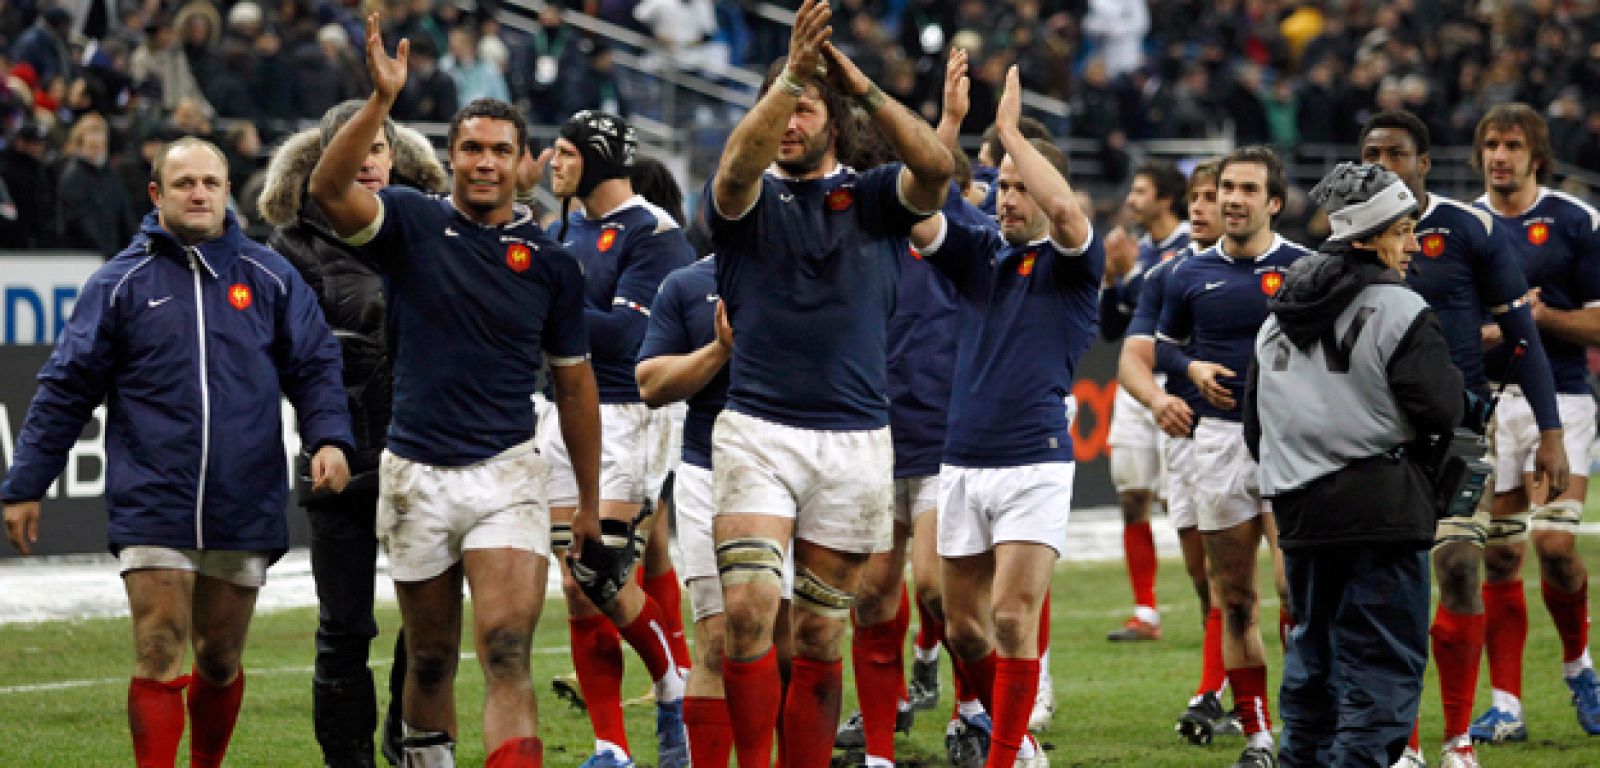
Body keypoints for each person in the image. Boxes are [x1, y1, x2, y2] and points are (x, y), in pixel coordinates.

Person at [2, 136, 353, 768]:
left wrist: (328, 437)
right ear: (157, 194)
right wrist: (26, 483)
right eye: (185, 183)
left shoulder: (271, 278)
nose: (199, 194)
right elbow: (64, 389)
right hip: (153, 491)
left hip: (243, 496)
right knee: (159, 645)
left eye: (210, 183)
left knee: (219, 659)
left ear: (226, 192)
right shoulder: (118, 283)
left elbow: (316, 365)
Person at [308, 14, 602, 767]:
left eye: (500, 151)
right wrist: (379, 103)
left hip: (507, 473)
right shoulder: (410, 221)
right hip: (415, 473)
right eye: (471, 148)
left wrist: (590, 504)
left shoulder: (552, 263)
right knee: (431, 658)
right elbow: (327, 188)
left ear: (523, 163)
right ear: (449, 155)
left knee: (506, 649)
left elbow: (574, 388)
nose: (484, 162)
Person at [705, 0, 953, 764]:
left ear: (834, 123)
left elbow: (938, 168)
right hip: (759, 429)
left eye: (806, 107)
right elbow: (733, 167)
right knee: (746, 613)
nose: (790, 120)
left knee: (818, 630)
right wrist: (790, 77)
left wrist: (864, 87)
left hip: (854, 439)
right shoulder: (744, 200)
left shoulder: (875, 198)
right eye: (779, 105)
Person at [1356, 109, 1568, 768]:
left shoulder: (1468, 228)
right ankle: (1406, 743)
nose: (1381, 166)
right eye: (1370, 154)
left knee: (1456, 565)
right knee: (1390, 584)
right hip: (1371, 434)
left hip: (1462, 431)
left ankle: (1455, 741)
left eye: (1395, 155)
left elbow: (1522, 333)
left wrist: (1551, 429)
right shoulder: (1346, 238)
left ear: (1423, 163)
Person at [905, 64, 1102, 768]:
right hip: (961, 460)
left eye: (1020, 186)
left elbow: (1073, 216)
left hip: (1034, 461)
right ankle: (1017, 749)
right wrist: (952, 126)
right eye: (1001, 184)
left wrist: (1013, 134)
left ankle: (1008, 754)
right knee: (963, 629)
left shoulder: (1075, 264)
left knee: (1014, 618)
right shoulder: (978, 254)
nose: (1004, 197)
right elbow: (917, 207)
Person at [1246, 161, 1462, 768]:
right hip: (1381, 512)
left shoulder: (1274, 319)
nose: (1412, 246)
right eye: (1401, 231)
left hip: (1302, 519)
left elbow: (1254, 428)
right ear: (1368, 237)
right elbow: (1443, 406)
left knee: (1312, 674)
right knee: (1379, 678)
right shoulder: (1400, 309)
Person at [259, 98, 448, 768]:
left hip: (430, 459)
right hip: (341, 459)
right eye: (353, 148)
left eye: (377, 148)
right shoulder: (290, 246)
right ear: (323, 159)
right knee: (344, 629)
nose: (367, 162)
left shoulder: (437, 231)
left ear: (394, 156)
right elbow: (298, 363)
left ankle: (404, 745)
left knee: (429, 629)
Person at [540, 109, 694, 768]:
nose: (552, 161)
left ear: (596, 159)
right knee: (576, 584)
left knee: (598, 575)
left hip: (629, 412)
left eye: (566, 150)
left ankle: (671, 685)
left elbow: (631, 336)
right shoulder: (563, 227)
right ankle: (612, 745)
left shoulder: (655, 234)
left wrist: (538, 301)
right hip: (561, 411)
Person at [1156, 145, 1311, 768]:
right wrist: (1189, 365)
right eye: (1226, 188)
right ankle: (1258, 737)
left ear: (1273, 202)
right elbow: (1161, 346)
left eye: (1248, 189)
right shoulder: (1186, 274)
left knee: (1294, 591)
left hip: (1293, 444)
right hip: (1217, 442)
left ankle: (1305, 723)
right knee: (1237, 599)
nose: (1233, 199)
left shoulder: (1306, 268)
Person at [1469, 103, 1600, 744]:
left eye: (1512, 145)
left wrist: (1537, 319)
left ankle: (1579, 666)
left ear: (1536, 156)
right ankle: (1507, 706)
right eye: (1491, 145)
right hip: (1491, 403)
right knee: (1498, 554)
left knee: (1552, 545)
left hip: (1564, 398)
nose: (1500, 156)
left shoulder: (1577, 222)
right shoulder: (1463, 228)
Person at [1117, 159, 1244, 743]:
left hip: (1248, 437)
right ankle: (1227, 684)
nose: (1199, 207)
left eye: (1211, 197)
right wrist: (1155, 398)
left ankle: (1228, 690)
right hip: (1186, 435)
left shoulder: (1268, 272)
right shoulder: (1167, 273)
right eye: (1194, 197)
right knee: (1201, 576)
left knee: (1243, 580)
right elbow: (1132, 355)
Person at [1100, 158, 1190, 642]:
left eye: (1140, 191)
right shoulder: (1138, 254)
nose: (1131, 200)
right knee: (1132, 497)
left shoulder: (1191, 244)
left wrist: (1129, 273)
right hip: (1138, 386)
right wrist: (1115, 279)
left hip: (1178, 384)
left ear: (1165, 198)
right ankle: (1146, 611)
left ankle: (1214, 600)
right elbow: (1112, 329)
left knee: (1185, 507)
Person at [56, 112, 138, 259]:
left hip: (112, 254)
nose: (97, 145)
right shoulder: (73, 176)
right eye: (92, 143)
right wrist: (106, 249)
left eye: (100, 141)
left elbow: (125, 214)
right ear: (81, 142)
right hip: (84, 255)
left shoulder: (111, 175)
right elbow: (79, 220)